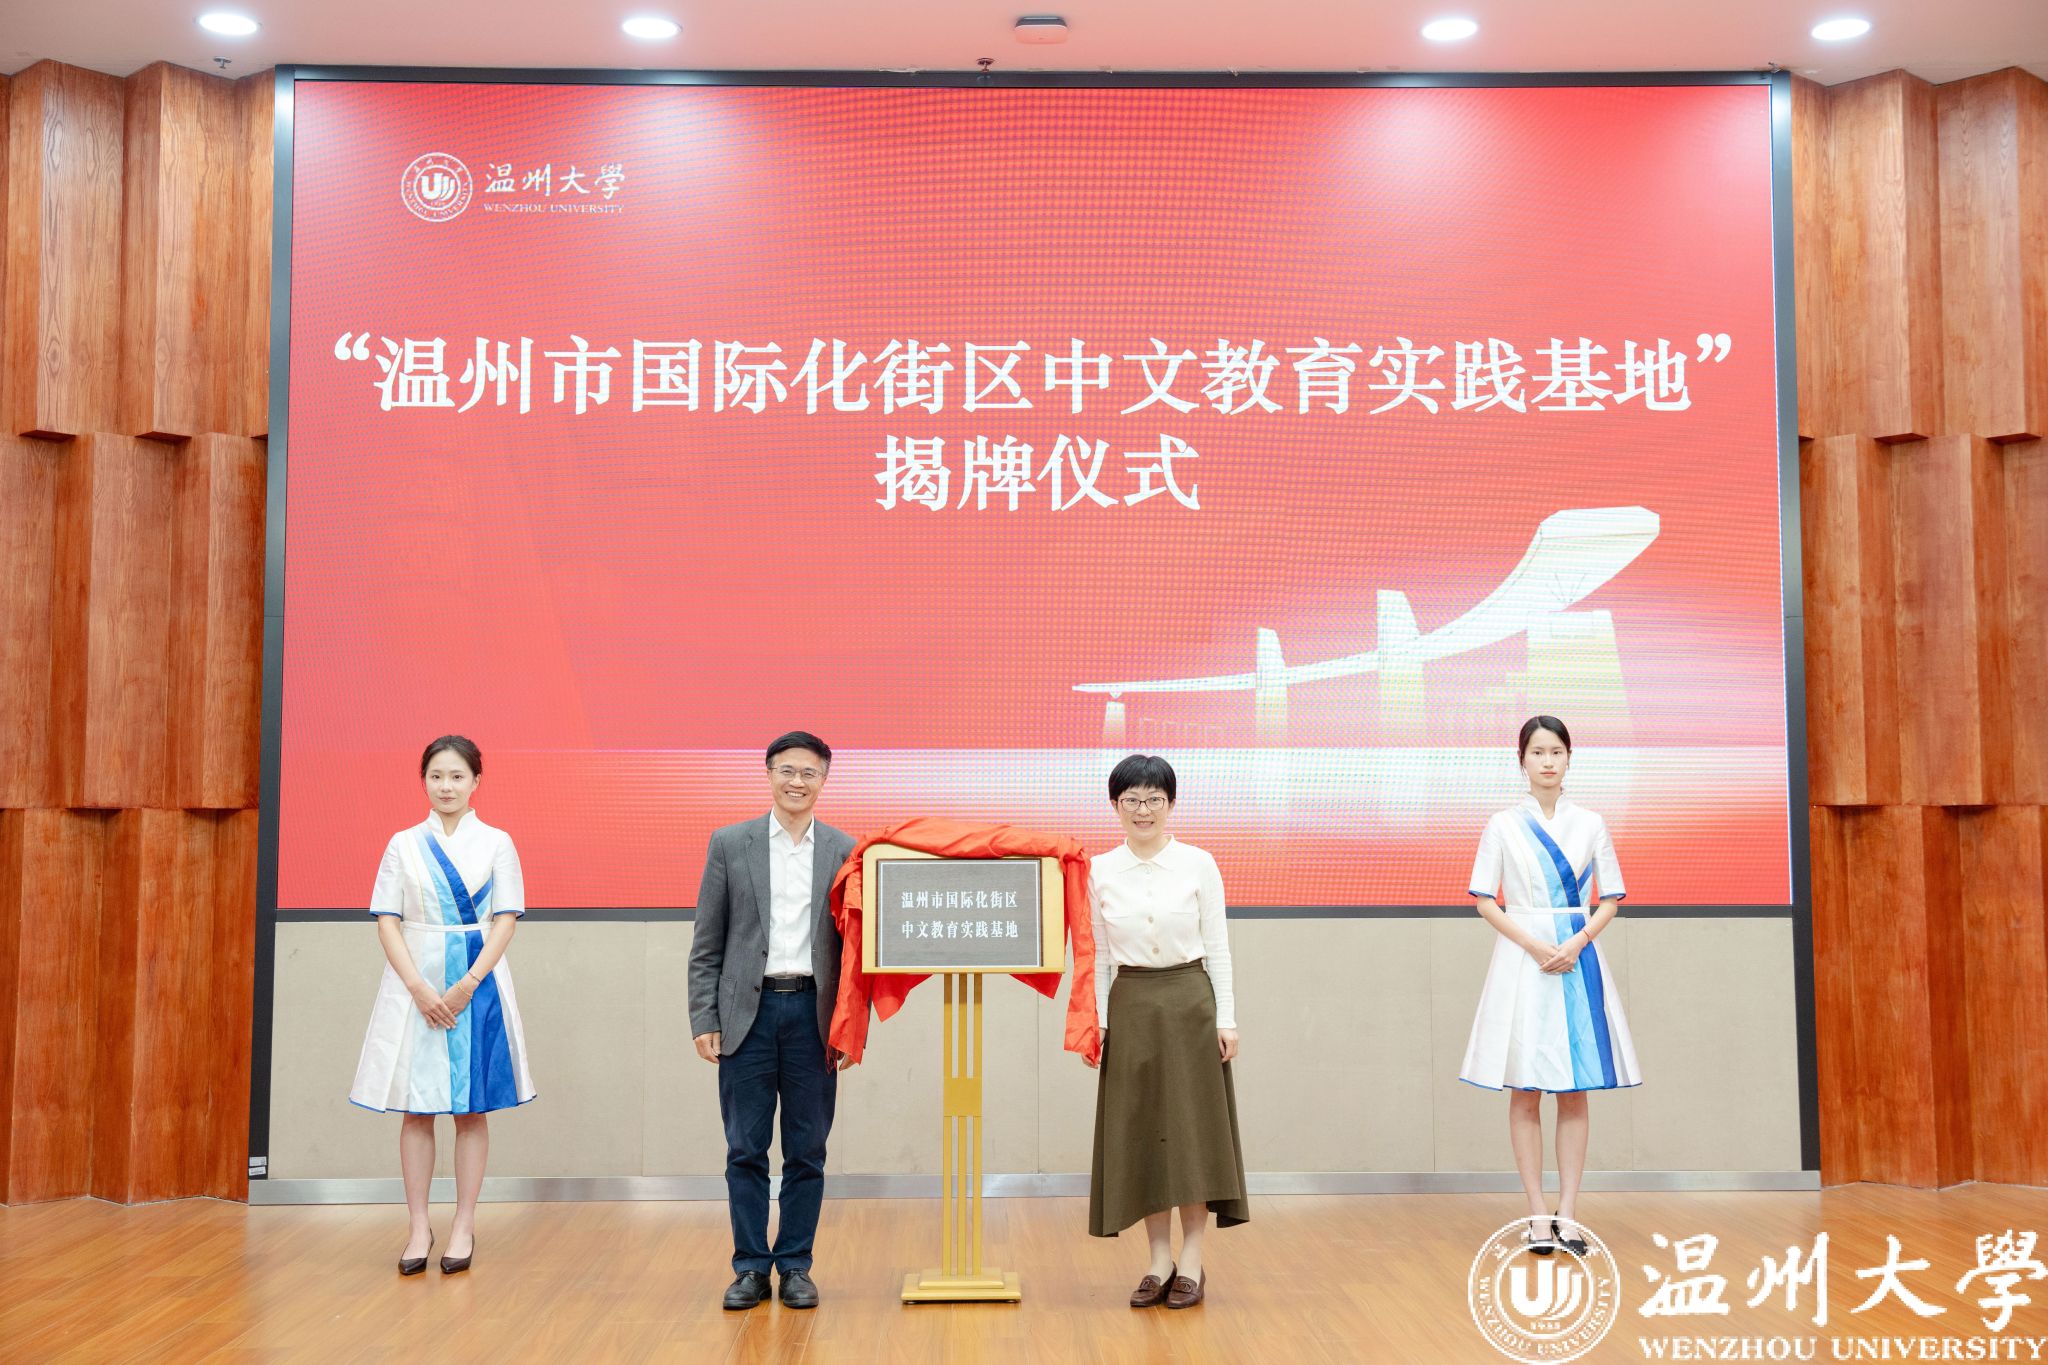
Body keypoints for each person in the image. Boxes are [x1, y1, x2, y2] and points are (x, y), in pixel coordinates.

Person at [350, 734, 535, 1276]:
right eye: (436, 776)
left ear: (476, 781)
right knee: (417, 1108)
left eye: (457, 776)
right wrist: (418, 988)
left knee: (471, 1108)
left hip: (479, 982)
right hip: (415, 979)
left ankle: (463, 1224)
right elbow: (387, 920)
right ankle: (417, 1226)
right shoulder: (402, 844)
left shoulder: (497, 842)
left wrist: (467, 985)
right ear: (423, 781)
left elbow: (506, 920)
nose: (446, 786)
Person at [688, 731, 859, 1311]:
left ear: (824, 780)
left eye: (809, 772)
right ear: (768, 774)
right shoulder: (730, 844)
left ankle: (795, 1265)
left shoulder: (843, 849)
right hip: (747, 1018)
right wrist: (703, 1016)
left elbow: (855, 951)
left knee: (808, 1150)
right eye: (786, 770)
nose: (796, 782)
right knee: (745, 1148)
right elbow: (707, 943)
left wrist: (850, 1025)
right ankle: (749, 1268)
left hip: (814, 1015)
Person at [1461, 715, 1641, 1257]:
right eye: (1537, 752)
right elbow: (1484, 901)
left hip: (1577, 958)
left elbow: (1609, 899)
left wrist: (1576, 942)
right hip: (1523, 960)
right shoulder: (1502, 824)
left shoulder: (1590, 823)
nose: (1547, 761)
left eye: (1556, 751)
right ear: (1521, 760)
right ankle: (1537, 1213)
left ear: (1568, 758)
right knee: (1525, 1088)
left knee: (1574, 1089)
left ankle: (1570, 1213)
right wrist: (1536, 946)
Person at [1086, 754, 1249, 1310]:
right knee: (1144, 1135)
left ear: (1171, 804)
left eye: (1154, 799)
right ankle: (1158, 1262)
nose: (1143, 810)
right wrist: (1100, 1024)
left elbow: (1218, 946)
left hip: (1190, 1004)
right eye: (1131, 799)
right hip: (1131, 1006)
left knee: (1191, 1135)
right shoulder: (1100, 870)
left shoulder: (1198, 863)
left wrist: (1226, 1018)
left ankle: (1193, 1261)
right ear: (1115, 805)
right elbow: (1099, 955)